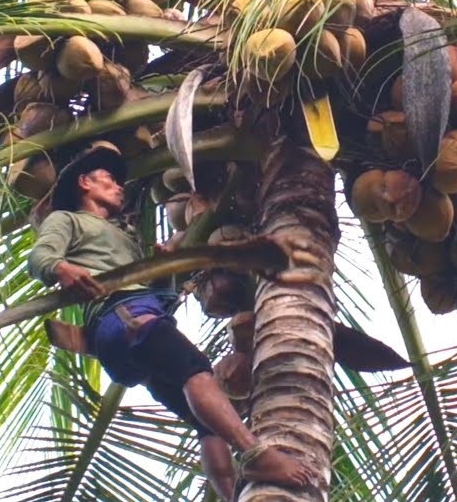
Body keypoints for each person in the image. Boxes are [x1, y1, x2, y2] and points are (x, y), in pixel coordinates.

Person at [27, 142, 316, 501]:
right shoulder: (66, 220)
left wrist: (163, 272)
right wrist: (61, 267)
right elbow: (40, 257)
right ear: (85, 183)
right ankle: (254, 453)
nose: (118, 186)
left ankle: (231, 496)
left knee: (206, 425)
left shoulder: (122, 236)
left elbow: (152, 293)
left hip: (128, 334)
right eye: (109, 179)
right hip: (125, 320)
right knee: (197, 371)